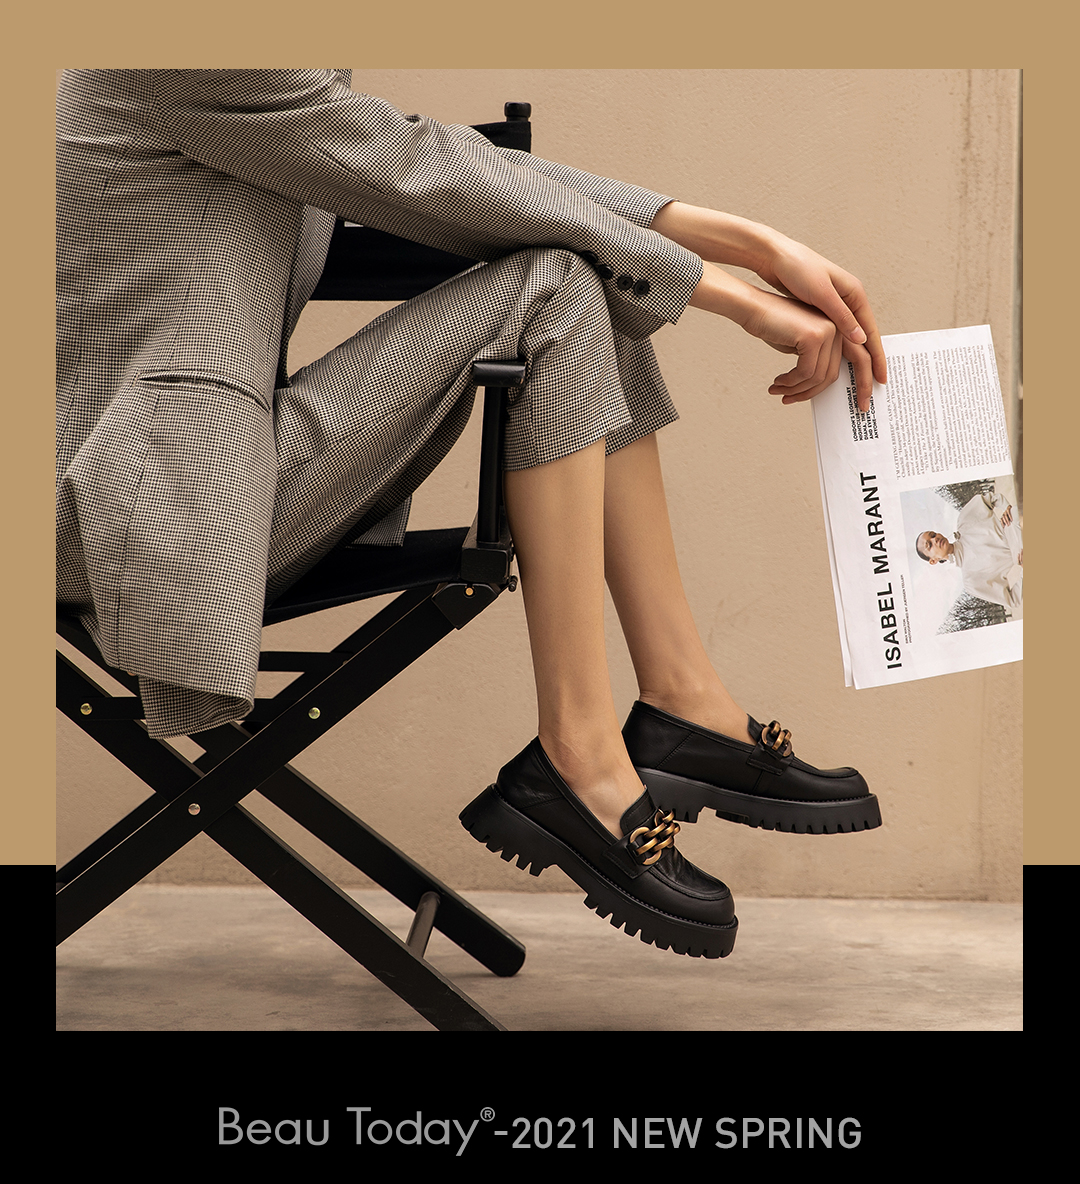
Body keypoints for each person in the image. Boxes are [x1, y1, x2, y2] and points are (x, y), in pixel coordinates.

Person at [57, 70, 887, 959]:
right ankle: (581, 755)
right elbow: (413, 164)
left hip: (199, 480)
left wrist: (752, 245)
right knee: (559, 284)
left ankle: (683, 702)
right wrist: (737, 294)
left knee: (587, 271)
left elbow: (452, 166)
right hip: (130, 514)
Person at [916, 491, 1023, 611]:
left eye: (933, 535)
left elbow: (990, 499)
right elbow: (1013, 599)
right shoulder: (971, 581)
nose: (935, 539)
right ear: (933, 561)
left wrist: (1007, 508)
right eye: (929, 545)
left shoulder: (964, 519)